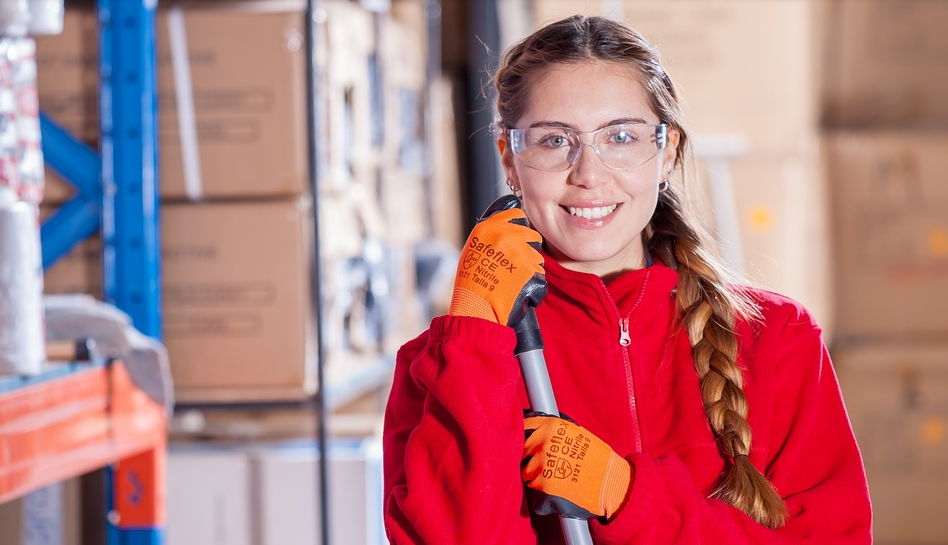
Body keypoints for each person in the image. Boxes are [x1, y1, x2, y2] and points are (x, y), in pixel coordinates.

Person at [382, 14, 872, 544]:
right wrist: (476, 332)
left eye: (620, 137)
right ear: (509, 158)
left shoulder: (777, 337)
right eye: (553, 141)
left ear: (667, 153)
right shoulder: (442, 365)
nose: (589, 175)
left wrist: (628, 497)